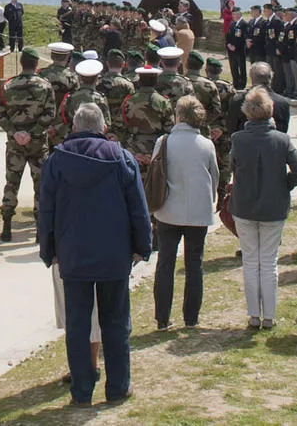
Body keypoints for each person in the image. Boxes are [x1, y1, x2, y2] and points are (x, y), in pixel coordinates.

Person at [39, 101, 150, 407]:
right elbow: (137, 209)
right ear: (103, 128)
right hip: (114, 254)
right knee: (115, 321)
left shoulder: (57, 161)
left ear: (74, 128)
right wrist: (142, 245)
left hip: (72, 253)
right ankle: (117, 387)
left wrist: (49, 250)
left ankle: (82, 391)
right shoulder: (121, 158)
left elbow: (45, 209)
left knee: (77, 325)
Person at [150, 96, 219, 330]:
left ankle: (162, 317)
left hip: (168, 209)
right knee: (194, 264)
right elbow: (214, 176)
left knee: (165, 263)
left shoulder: (164, 141)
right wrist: (209, 201)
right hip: (197, 212)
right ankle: (191, 317)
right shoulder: (206, 144)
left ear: (178, 115)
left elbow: (155, 170)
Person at [0, 47, 55, 242]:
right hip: (37, 144)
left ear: (22, 63)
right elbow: (49, 114)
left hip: (15, 144)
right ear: (36, 64)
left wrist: (15, 132)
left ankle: (6, 225)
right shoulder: (45, 87)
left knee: (12, 183)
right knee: (41, 184)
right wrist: (33, 132)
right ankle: (39, 228)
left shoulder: (8, 86)